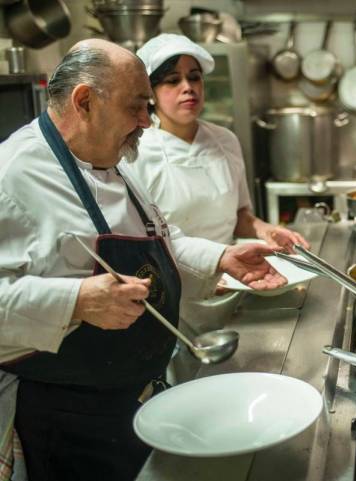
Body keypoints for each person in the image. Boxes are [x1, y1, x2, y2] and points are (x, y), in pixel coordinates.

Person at [0, 39, 286, 481]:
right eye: (137, 106)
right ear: (85, 101)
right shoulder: (12, 174)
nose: (146, 122)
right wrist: (75, 300)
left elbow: (160, 240)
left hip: (130, 398)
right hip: (68, 415)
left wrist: (222, 258)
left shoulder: (112, 159)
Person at [128, 34, 309, 250]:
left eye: (194, 77)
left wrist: (265, 230)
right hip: (174, 277)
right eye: (173, 80)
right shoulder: (136, 151)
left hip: (233, 271)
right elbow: (137, 238)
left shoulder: (225, 140)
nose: (188, 87)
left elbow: (239, 216)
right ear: (150, 92)